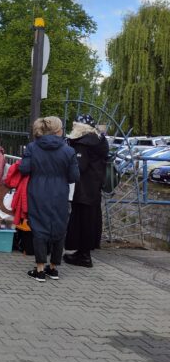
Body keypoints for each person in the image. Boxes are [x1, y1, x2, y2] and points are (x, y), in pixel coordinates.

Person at [20, 116, 79, 282]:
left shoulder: (32, 147)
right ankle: (53, 268)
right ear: (58, 130)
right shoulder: (69, 150)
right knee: (59, 227)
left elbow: (24, 169)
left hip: (37, 191)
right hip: (60, 192)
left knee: (39, 228)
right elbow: (74, 176)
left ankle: (39, 269)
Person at [64, 114, 109, 268]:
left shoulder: (83, 144)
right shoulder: (99, 141)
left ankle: (83, 256)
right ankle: (83, 252)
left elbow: (79, 166)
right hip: (94, 188)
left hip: (83, 188)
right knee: (90, 221)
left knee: (82, 221)